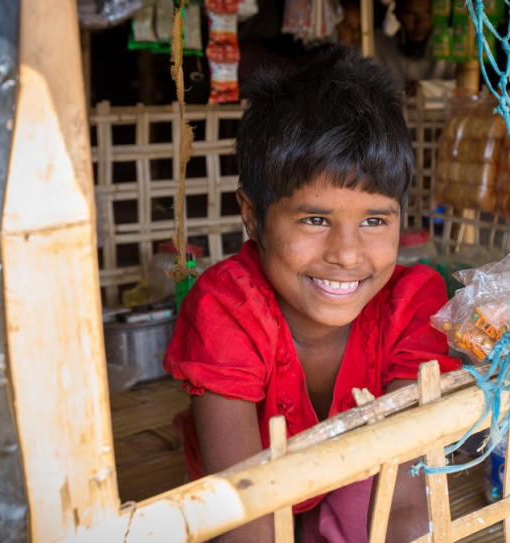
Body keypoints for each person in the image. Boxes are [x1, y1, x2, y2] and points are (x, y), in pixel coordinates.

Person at [163, 44, 461, 542]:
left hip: (352, 478)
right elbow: (242, 512)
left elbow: (404, 502)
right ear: (253, 216)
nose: (347, 255)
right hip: (247, 496)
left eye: (373, 220)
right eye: (315, 219)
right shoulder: (226, 308)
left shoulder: (411, 306)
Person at [373, 0, 455, 92]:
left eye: (427, 13)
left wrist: (424, 87)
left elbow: (462, 86)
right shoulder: (377, 44)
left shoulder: (451, 42)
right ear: (397, 14)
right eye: (411, 14)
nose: (420, 23)